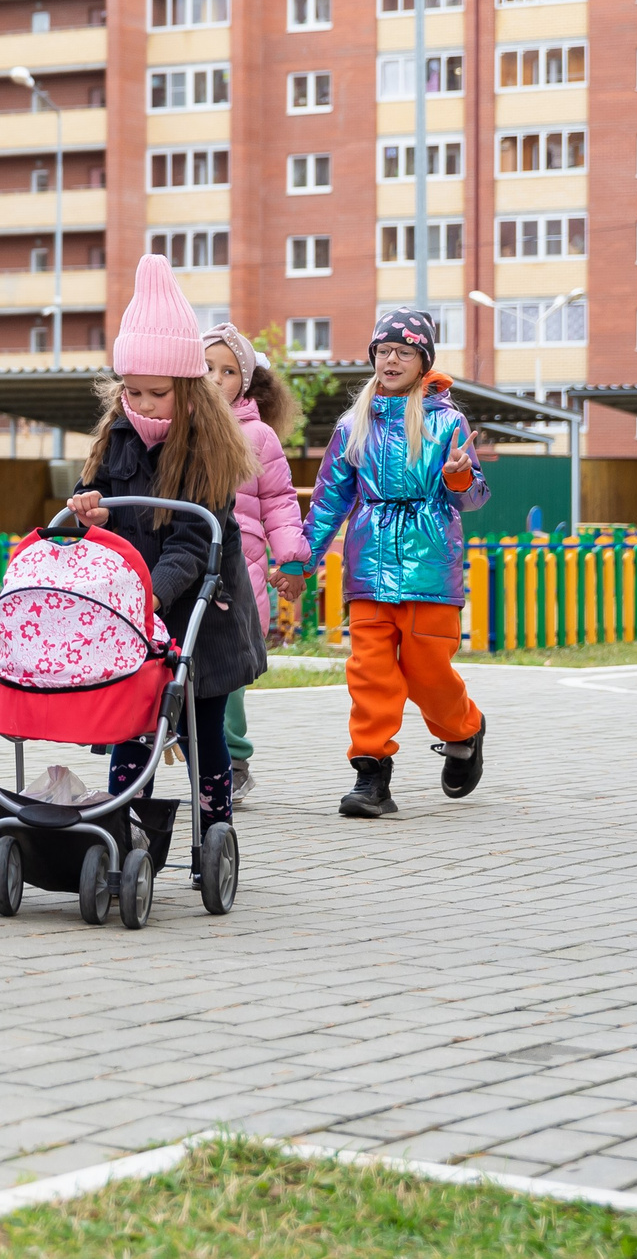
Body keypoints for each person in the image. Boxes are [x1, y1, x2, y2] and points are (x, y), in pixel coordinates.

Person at [65, 255, 262, 839]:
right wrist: (87, 513)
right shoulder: (116, 435)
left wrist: (144, 594)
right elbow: (87, 503)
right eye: (133, 392)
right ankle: (124, 827)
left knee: (202, 727)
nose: (143, 404)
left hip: (201, 616)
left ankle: (212, 831)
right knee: (133, 725)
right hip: (135, 618)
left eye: (156, 393)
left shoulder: (207, 451)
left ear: (188, 392)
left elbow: (193, 544)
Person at [293, 309, 491, 819]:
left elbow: (473, 500)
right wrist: (300, 562)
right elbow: (329, 501)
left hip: (431, 566)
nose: (391, 360)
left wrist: (459, 477)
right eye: (383, 351)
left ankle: (464, 730)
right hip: (367, 567)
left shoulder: (447, 422)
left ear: (423, 361)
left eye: (403, 352)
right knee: (370, 674)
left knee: (427, 674)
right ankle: (370, 775)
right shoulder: (352, 424)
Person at [201, 323, 309, 805]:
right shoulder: (175, 426)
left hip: (239, 572)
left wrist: (291, 561)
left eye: (227, 371)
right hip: (184, 567)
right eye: (206, 368)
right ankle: (202, 754)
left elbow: (281, 502)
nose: (215, 378)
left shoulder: (258, 435)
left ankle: (236, 759)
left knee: (228, 672)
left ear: (244, 383)